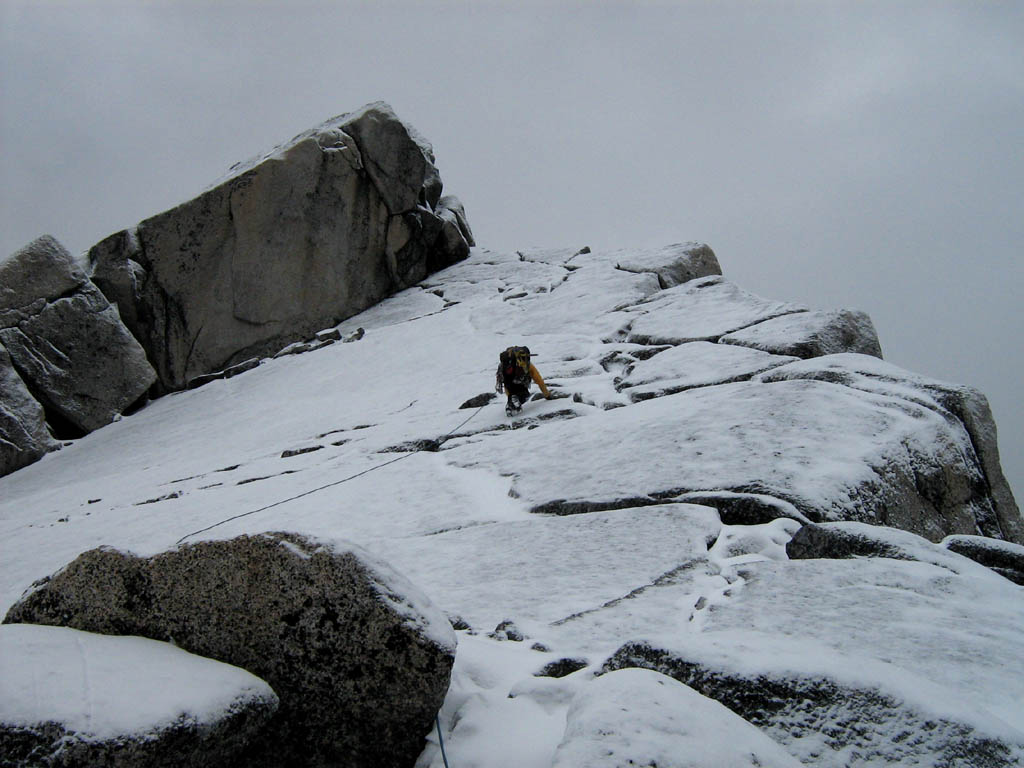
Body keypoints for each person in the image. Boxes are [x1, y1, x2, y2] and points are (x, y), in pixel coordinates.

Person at [495, 345, 551, 416]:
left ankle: (511, 404)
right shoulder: (527, 365)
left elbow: (504, 382)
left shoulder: (503, 366)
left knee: (513, 392)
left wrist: (509, 396)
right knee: (525, 395)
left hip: (509, 384)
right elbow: (539, 380)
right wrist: (547, 395)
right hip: (520, 383)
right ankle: (514, 402)